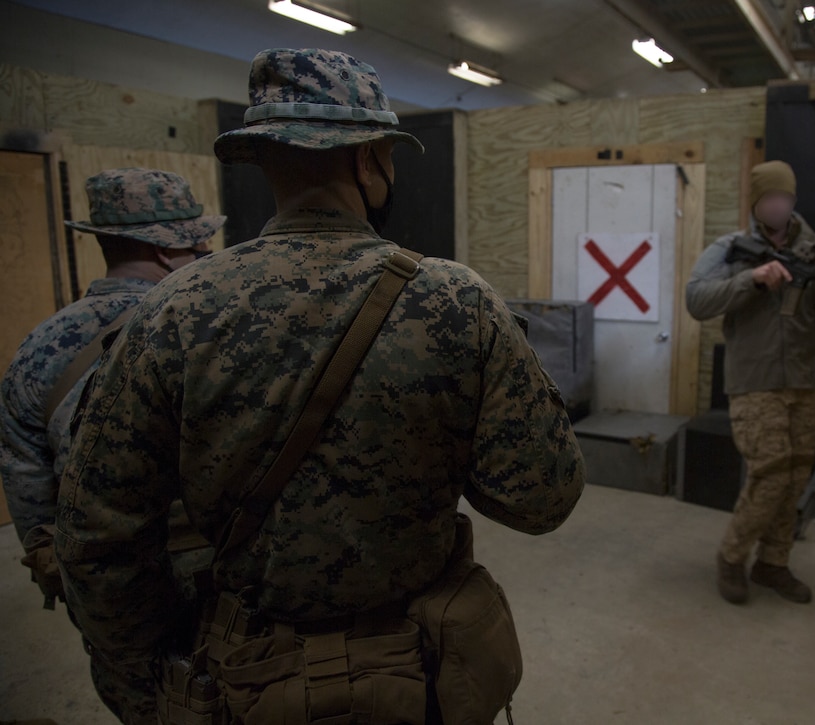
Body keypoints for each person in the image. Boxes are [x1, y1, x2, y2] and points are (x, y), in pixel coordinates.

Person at [55, 48, 585, 723]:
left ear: (266, 160)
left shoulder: (173, 310)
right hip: (413, 671)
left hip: (247, 678)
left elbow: (96, 535)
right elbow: (543, 498)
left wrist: (147, 687)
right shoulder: (456, 302)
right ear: (368, 161)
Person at [0, 167, 223, 609]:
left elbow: (25, 479)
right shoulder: (206, 325)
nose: (207, 253)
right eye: (199, 244)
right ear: (164, 249)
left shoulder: (37, 346)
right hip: (207, 579)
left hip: (102, 590)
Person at [686, 160, 815, 606]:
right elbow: (697, 299)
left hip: (805, 381)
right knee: (770, 474)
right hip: (755, 382)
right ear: (756, 203)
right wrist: (751, 280)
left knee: (794, 478)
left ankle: (773, 563)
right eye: (771, 198)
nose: (779, 206)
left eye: (786, 198)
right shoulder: (731, 248)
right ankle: (732, 558)